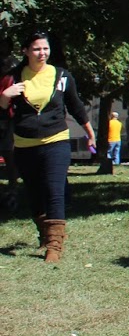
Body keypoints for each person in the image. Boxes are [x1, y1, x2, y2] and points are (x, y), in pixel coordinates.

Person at [0, 31, 95, 262]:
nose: (42, 53)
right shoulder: (12, 78)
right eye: (36, 49)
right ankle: (44, 233)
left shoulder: (61, 76)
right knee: (34, 192)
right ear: (25, 51)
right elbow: (2, 111)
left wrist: (91, 134)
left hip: (56, 141)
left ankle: (54, 245)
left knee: (55, 190)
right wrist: (4, 96)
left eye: (45, 48)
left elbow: (76, 107)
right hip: (24, 145)